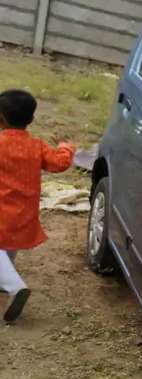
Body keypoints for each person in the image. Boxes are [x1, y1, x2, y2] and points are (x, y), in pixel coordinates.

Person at [0, 89, 75, 323]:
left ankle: (14, 286)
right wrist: (66, 146)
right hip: (24, 210)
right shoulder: (36, 146)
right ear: (31, 119)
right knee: (7, 246)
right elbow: (59, 163)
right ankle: (4, 282)